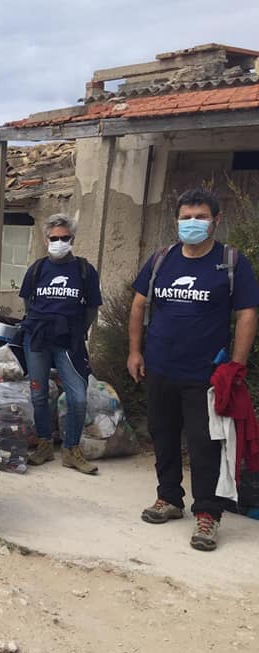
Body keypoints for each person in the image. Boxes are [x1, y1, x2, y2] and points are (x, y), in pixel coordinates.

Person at [128, 187, 259, 551]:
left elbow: (247, 312)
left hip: (205, 374)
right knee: (163, 435)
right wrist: (135, 352)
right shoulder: (161, 259)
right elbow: (139, 306)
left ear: (216, 220)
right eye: (185, 217)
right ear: (176, 221)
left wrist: (237, 364)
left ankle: (207, 514)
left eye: (200, 217)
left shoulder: (231, 262)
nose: (192, 223)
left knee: (205, 444)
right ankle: (169, 498)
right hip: (159, 367)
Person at [18, 214, 103, 475]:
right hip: (38, 340)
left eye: (64, 238)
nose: (59, 242)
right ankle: (44, 443)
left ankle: (71, 450)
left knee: (77, 397)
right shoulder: (37, 269)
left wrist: (77, 331)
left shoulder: (84, 270)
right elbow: (28, 304)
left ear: (72, 239)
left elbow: (91, 308)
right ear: (46, 240)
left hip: (70, 342)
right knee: (38, 395)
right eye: (54, 238)